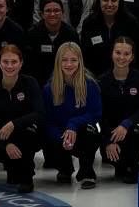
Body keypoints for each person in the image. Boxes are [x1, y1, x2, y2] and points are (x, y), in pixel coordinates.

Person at [0, 44, 44, 193]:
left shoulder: (30, 83)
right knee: (12, 177)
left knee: (27, 132)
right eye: (5, 62)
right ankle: (12, 165)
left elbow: (39, 113)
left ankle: (27, 176)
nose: (9, 66)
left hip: (26, 134)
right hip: (1, 137)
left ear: (21, 63)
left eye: (14, 62)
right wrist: (6, 144)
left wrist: (13, 124)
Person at [43, 43, 103, 188]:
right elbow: (48, 119)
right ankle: (64, 168)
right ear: (58, 62)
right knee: (47, 135)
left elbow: (96, 114)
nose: (69, 64)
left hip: (82, 131)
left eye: (73, 60)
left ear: (80, 61)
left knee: (90, 131)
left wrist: (73, 125)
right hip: (61, 133)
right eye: (64, 60)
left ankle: (87, 172)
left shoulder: (90, 85)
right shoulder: (49, 88)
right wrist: (61, 137)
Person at [99, 36, 139, 184]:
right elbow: (100, 114)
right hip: (112, 132)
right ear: (112, 53)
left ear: (132, 57)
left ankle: (131, 165)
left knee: (134, 137)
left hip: (135, 129)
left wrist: (126, 124)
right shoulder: (103, 81)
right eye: (118, 52)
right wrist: (109, 140)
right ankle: (121, 162)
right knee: (116, 159)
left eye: (126, 54)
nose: (121, 57)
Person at [80, 0, 139, 77]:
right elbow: (85, 54)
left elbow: (136, 53)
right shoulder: (89, 23)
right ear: (99, 1)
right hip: (96, 77)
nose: (109, 4)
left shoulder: (131, 23)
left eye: (114, 0)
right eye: (105, 0)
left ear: (120, 2)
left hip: (125, 77)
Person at [25, 0, 79, 85]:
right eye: (48, 11)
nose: (52, 14)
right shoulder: (32, 34)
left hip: (66, 82)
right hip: (39, 83)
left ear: (63, 13)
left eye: (56, 10)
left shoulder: (71, 34)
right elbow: (28, 65)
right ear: (41, 14)